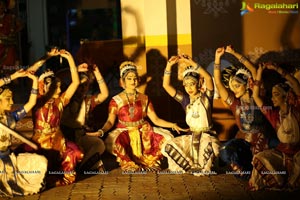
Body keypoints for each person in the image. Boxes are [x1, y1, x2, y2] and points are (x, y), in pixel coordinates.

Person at [86, 61, 188, 172]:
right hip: (124, 131)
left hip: (143, 130)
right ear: (122, 81)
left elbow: (155, 119)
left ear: (138, 80)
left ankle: (151, 163)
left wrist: (172, 125)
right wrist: (101, 131)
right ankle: (130, 163)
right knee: (113, 142)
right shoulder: (116, 100)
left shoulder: (144, 98)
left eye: (135, 78)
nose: (133, 81)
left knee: (168, 138)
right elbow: (110, 122)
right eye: (129, 78)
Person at [214, 46, 276, 179]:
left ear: (247, 84)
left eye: (237, 86)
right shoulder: (235, 103)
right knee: (225, 152)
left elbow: (253, 70)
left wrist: (234, 53)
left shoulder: (258, 97)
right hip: (243, 142)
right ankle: (247, 168)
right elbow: (218, 84)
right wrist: (217, 58)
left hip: (262, 140)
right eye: (232, 87)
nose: (234, 90)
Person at [30, 48, 83, 187]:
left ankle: (61, 178)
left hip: (59, 140)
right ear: (45, 87)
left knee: (77, 153)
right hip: (40, 142)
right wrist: (46, 56)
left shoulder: (60, 101)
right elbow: (30, 72)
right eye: (56, 87)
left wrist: (70, 59)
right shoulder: (36, 101)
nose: (59, 90)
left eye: (59, 87)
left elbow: (75, 83)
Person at [161, 54, 220, 175]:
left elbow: (208, 78)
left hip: (205, 136)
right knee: (168, 146)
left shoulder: (206, 98)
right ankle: (190, 166)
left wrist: (192, 63)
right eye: (186, 85)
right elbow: (166, 86)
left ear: (199, 83)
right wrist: (169, 65)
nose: (189, 88)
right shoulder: (185, 100)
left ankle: (200, 166)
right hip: (191, 137)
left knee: (214, 148)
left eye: (192, 83)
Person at [249, 63, 300, 191]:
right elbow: (255, 96)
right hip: (282, 154)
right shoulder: (273, 114)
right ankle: (280, 180)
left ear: (286, 96)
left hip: (298, 153)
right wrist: (259, 73)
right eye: (272, 94)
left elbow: (295, 84)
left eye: (276, 94)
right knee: (260, 158)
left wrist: (277, 68)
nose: (272, 98)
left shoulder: (296, 109)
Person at [0, 69, 48, 197]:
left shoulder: (11, 117)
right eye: (8, 99)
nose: (11, 102)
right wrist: (14, 76)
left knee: (41, 162)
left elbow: (31, 103)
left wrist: (35, 82)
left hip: (9, 159)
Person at [60, 63, 109, 172]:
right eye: (80, 85)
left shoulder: (87, 101)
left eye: (85, 85)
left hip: (80, 135)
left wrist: (97, 73)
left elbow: (105, 95)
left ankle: (83, 167)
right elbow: (58, 76)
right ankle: (92, 164)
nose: (82, 88)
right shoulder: (65, 98)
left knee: (99, 144)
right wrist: (75, 69)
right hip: (64, 137)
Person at [0, 0, 23, 71]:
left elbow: (21, 25)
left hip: (8, 47)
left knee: (10, 68)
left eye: (1, 5)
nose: (0, 7)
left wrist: (12, 34)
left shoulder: (11, 17)